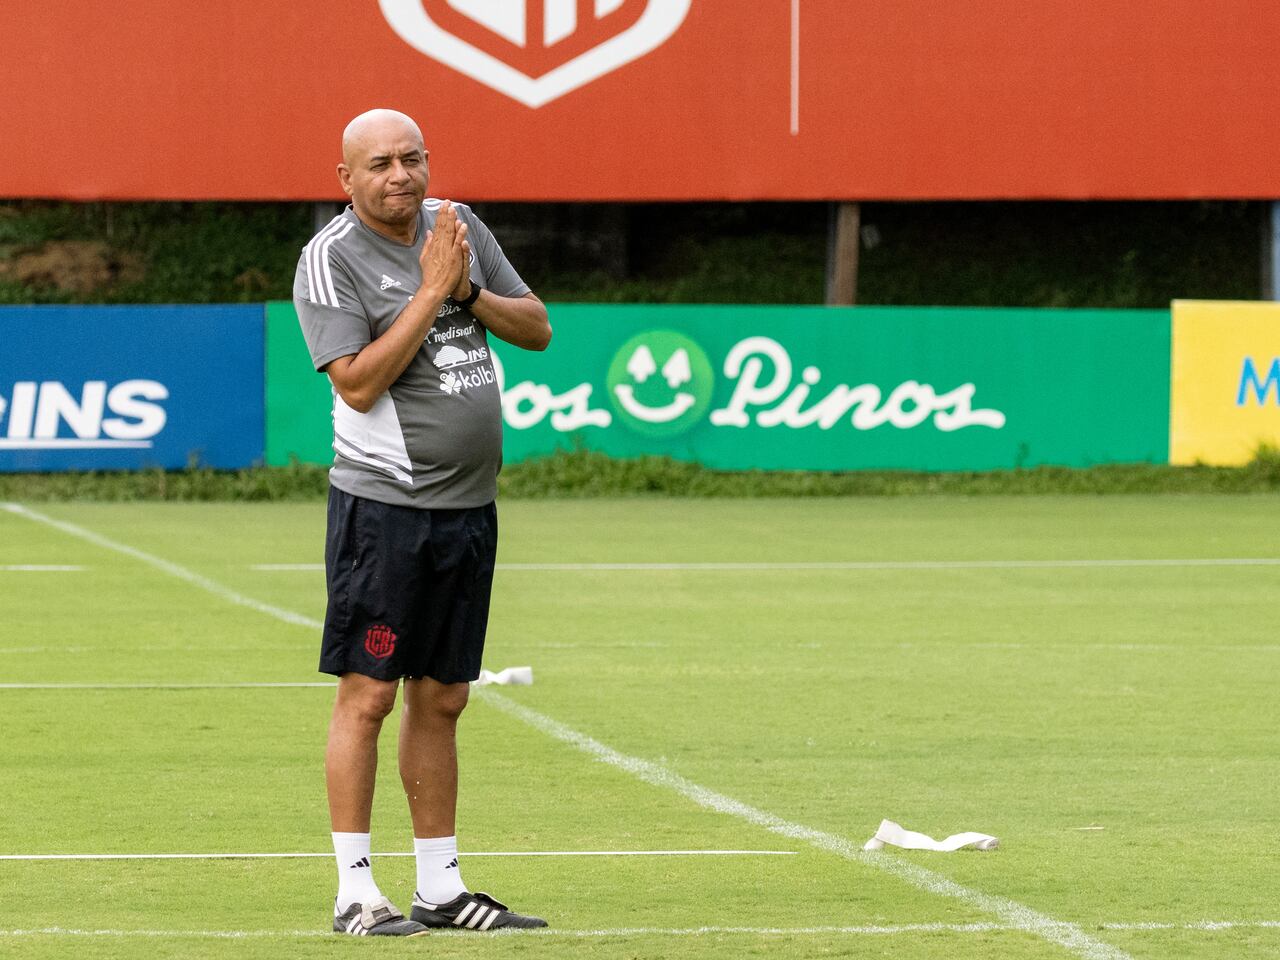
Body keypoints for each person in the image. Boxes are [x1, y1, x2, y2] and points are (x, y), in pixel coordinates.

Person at [292, 108, 552, 937]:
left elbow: (537, 328)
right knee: (368, 698)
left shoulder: (458, 225)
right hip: (385, 513)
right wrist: (434, 292)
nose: (400, 175)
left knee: (443, 698)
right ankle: (355, 891)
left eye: (412, 158)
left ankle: (441, 889)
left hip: (468, 513)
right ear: (346, 179)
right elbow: (358, 384)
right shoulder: (329, 260)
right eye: (379, 164)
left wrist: (467, 285)